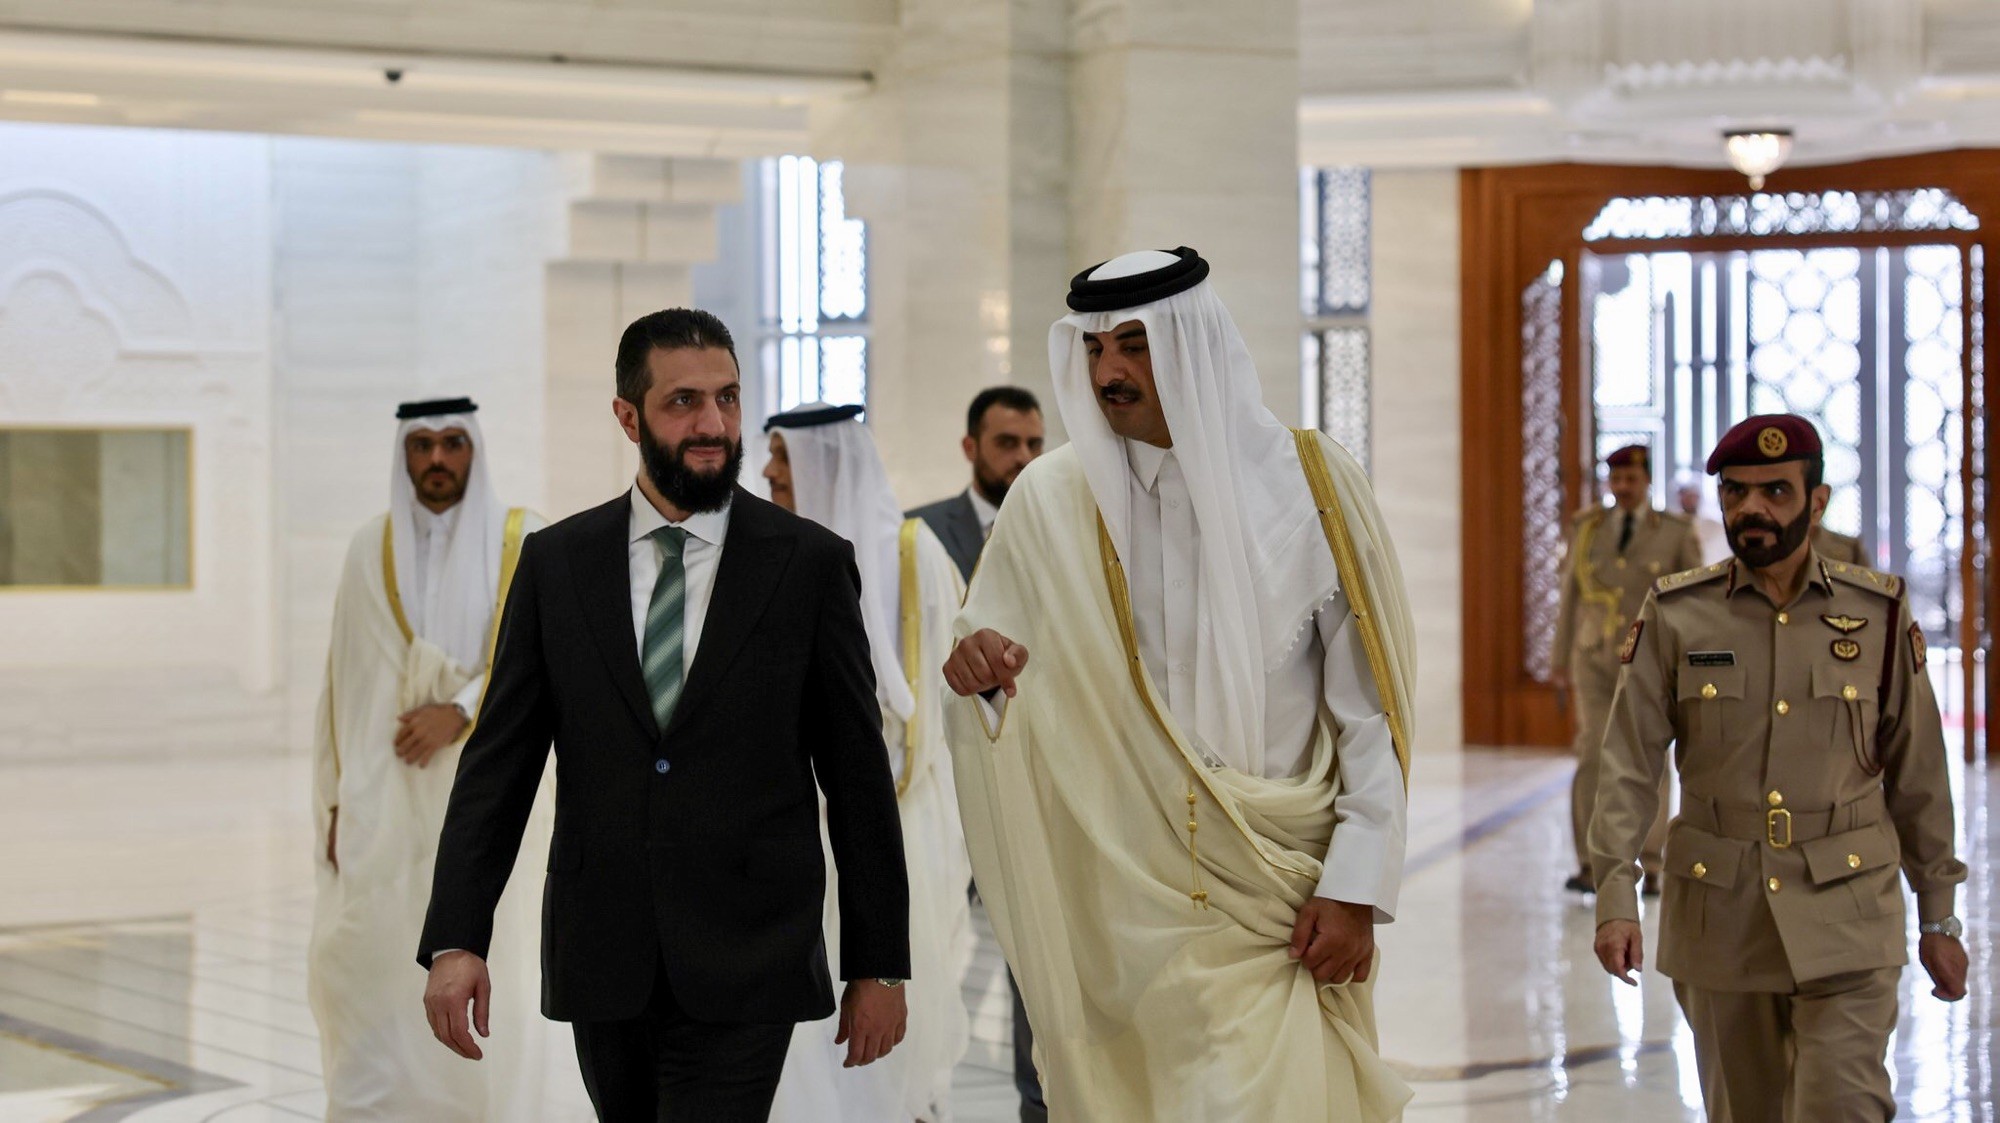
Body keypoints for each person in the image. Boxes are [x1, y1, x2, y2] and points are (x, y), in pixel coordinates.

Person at [942, 247, 1415, 1120]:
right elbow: (989, 673)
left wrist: (1357, 884)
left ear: (1194, 345)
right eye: (1094, 349)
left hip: (1281, 900)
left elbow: (1369, 711)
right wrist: (978, 673)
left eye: (1134, 345)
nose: (1109, 372)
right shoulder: (1049, 499)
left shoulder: (1310, 482)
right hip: (1120, 901)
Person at [416, 310, 912, 1122]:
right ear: (628, 416)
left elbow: (858, 780)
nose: (713, 423)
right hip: (603, 950)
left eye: (727, 398)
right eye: (684, 401)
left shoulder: (810, 564)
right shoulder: (557, 564)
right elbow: (497, 768)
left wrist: (880, 963)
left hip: (753, 949)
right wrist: (456, 937)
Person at [1591, 413, 1970, 1123]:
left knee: (1844, 1105)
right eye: (1735, 492)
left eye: (1775, 491)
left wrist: (1940, 915)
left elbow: (1919, 773)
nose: (1751, 509)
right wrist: (1616, 893)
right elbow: (1628, 765)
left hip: (1849, 910)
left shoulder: (1878, 611)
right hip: (1722, 921)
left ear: (1816, 502)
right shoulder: (1677, 612)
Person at [308, 398, 586, 1121]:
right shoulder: (369, 547)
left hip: (491, 796)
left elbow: (544, 661)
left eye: (453, 443)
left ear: (474, 450)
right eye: (423, 444)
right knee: (367, 962)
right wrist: (333, 801)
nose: (437, 458)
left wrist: (459, 707)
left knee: (495, 958)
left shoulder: (525, 538)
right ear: (404, 454)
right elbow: (341, 683)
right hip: (383, 799)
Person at [762, 403, 975, 1123]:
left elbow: (947, 699)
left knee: (897, 1002)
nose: (769, 472)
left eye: (783, 457)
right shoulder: (771, 555)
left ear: (824, 463)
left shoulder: (915, 554)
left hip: (902, 822)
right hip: (792, 832)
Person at [1552, 445, 1701, 895]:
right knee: (1592, 755)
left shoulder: (1674, 533)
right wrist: (1559, 661)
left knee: (1649, 756)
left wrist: (1690, 659)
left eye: (1631, 479)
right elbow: (1570, 596)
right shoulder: (1589, 528)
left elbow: (1694, 600)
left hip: (1649, 659)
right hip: (1593, 657)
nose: (1622, 488)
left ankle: (1652, 861)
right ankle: (1590, 863)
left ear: (1647, 481)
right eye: (1615, 479)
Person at [908, 387, 1047, 581]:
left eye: (1034, 444)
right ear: (970, 448)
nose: (1024, 457)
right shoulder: (920, 530)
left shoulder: (1058, 528)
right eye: (1007, 443)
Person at [1676, 472, 1731, 566]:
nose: (1688, 499)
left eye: (1691, 495)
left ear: (1698, 496)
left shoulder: (1713, 525)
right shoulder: (1674, 525)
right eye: (1684, 495)